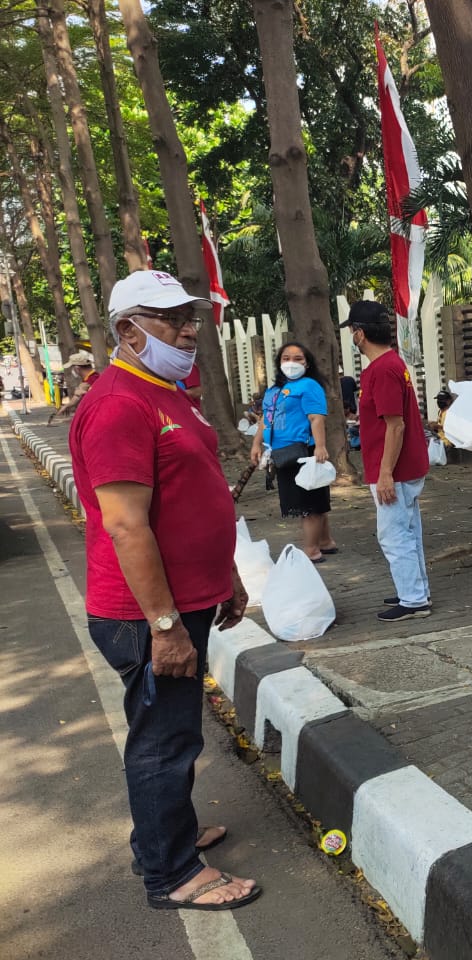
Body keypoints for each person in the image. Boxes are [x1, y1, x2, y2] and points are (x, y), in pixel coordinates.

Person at [68, 268, 259, 910]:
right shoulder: (121, 403)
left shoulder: (166, 389)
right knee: (164, 740)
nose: (187, 329)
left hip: (187, 601)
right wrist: (166, 625)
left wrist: (225, 576)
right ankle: (171, 873)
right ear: (127, 330)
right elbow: (126, 526)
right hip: (146, 616)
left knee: (169, 732)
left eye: (189, 316)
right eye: (170, 317)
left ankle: (163, 836)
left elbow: (193, 494)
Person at [339, 301, 433, 622]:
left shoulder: (382, 370)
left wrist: (385, 474)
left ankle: (413, 599)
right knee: (408, 530)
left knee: (394, 535)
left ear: (360, 333)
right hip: (402, 466)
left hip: (395, 468)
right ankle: (415, 590)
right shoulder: (391, 364)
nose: (353, 336)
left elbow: (396, 425)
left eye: (352, 330)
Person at [249, 342, 338, 562]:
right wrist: (256, 443)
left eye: (298, 358)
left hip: (304, 451)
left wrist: (320, 446)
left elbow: (316, 417)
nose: (292, 363)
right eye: (286, 358)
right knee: (313, 497)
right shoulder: (273, 391)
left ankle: (311, 550)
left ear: (307, 363)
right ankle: (325, 542)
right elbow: (265, 420)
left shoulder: (309, 386)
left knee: (309, 504)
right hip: (281, 453)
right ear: (279, 363)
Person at [46, 350, 98, 423]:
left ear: (77, 368)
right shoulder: (90, 378)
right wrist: (67, 406)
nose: (72, 370)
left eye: (72, 367)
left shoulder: (92, 380)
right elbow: (77, 397)